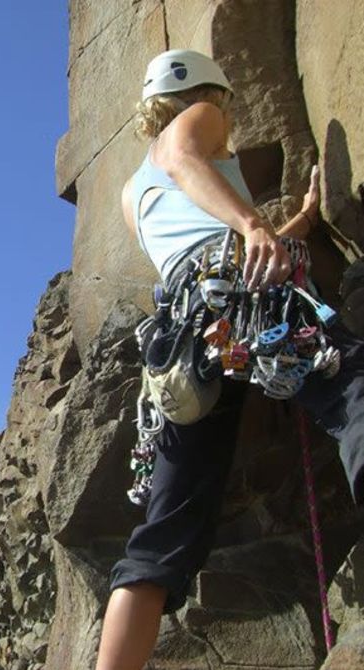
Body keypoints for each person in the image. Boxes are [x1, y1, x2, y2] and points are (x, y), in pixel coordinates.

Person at [94, 49, 364, 670]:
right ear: (210, 93)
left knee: (164, 535)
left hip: (184, 339)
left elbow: (192, 238)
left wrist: (292, 222)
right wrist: (254, 223)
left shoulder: (134, 195)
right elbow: (193, 167)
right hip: (238, 292)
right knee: (352, 388)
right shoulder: (199, 117)